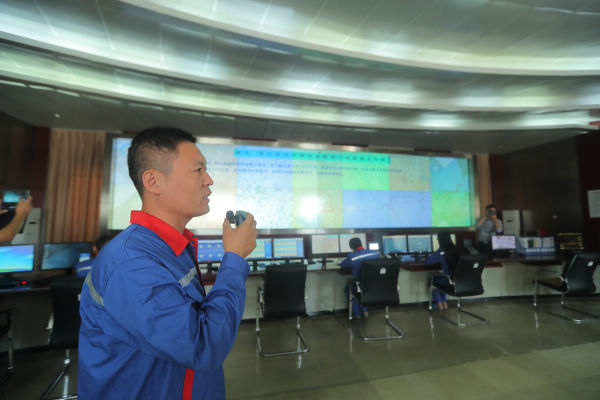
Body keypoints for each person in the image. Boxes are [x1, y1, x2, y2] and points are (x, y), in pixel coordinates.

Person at [78, 127, 257, 400]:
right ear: (153, 181)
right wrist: (234, 259)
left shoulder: (169, 247)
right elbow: (203, 346)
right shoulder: (131, 264)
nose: (209, 180)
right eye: (198, 170)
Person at [340, 237, 378, 318]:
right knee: (361, 291)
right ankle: (365, 312)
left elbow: (343, 265)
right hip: (373, 283)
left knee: (349, 289)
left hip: (359, 283)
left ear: (351, 247)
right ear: (361, 244)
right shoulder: (374, 253)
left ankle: (357, 314)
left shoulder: (352, 256)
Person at [425, 232, 462, 310]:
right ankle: (444, 303)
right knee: (442, 279)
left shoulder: (441, 251)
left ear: (440, 240)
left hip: (448, 280)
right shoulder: (458, 250)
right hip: (459, 281)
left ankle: (440, 304)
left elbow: (428, 261)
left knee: (432, 280)